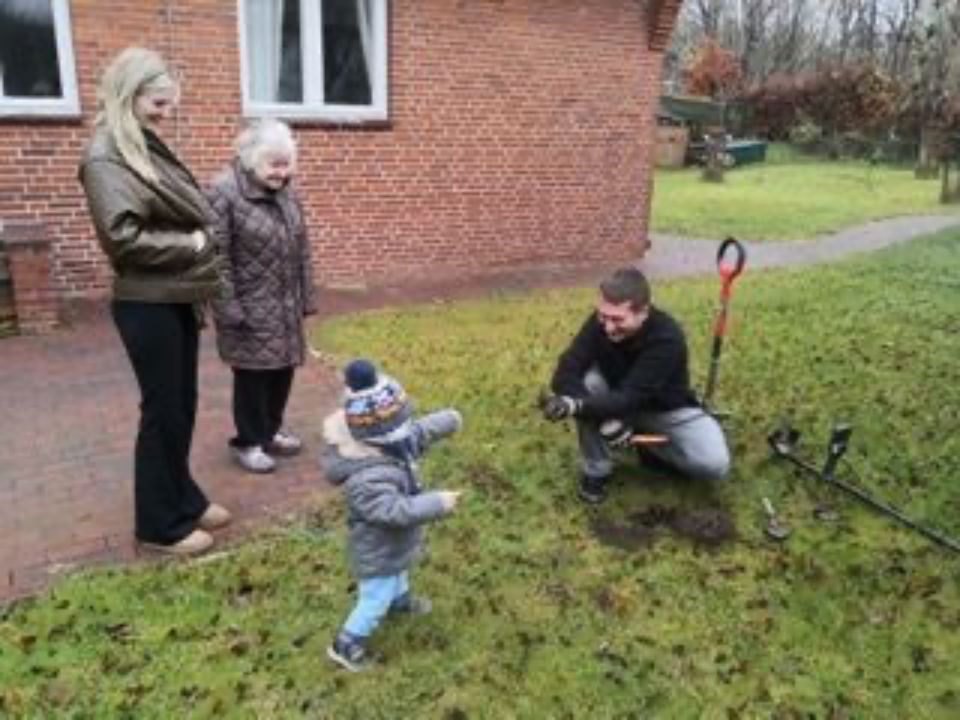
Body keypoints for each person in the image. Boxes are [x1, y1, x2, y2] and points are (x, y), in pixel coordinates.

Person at [78, 47, 230, 555]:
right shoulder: (105, 156)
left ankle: (182, 497)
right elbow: (122, 237)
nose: (166, 114)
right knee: (162, 410)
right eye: (158, 103)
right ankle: (159, 526)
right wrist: (190, 245)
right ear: (130, 93)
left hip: (174, 295)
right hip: (148, 302)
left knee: (181, 404)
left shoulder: (140, 144)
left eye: (169, 104)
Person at [542, 266, 730, 504]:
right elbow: (565, 370)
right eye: (603, 315)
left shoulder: (667, 338)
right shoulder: (599, 323)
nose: (607, 327)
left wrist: (576, 406)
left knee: (714, 464)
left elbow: (629, 397)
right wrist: (602, 418)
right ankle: (596, 470)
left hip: (665, 410)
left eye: (617, 319)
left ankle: (649, 449)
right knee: (589, 382)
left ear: (643, 312)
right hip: (614, 401)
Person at [322, 359, 463, 672]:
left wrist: (448, 420)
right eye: (403, 425)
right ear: (381, 435)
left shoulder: (387, 441)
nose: (408, 431)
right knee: (375, 596)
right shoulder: (367, 478)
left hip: (393, 546)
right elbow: (393, 511)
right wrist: (436, 504)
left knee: (398, 571)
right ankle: (346, 643)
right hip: (376, 549)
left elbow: (418, 433)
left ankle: (399, 602)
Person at [207, 119, 317, 474]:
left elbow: (302, 249)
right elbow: (215, 256)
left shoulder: (286, 192)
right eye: (274, 164)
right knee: (253, 378)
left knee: (282, 371)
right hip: (248, 306)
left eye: (287, 164)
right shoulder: (223, 193)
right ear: (252, 158)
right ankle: (248, 441)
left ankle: (270, 432)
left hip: (283, 303)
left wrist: (306, 297)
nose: (282, 172)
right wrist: (227, 308)